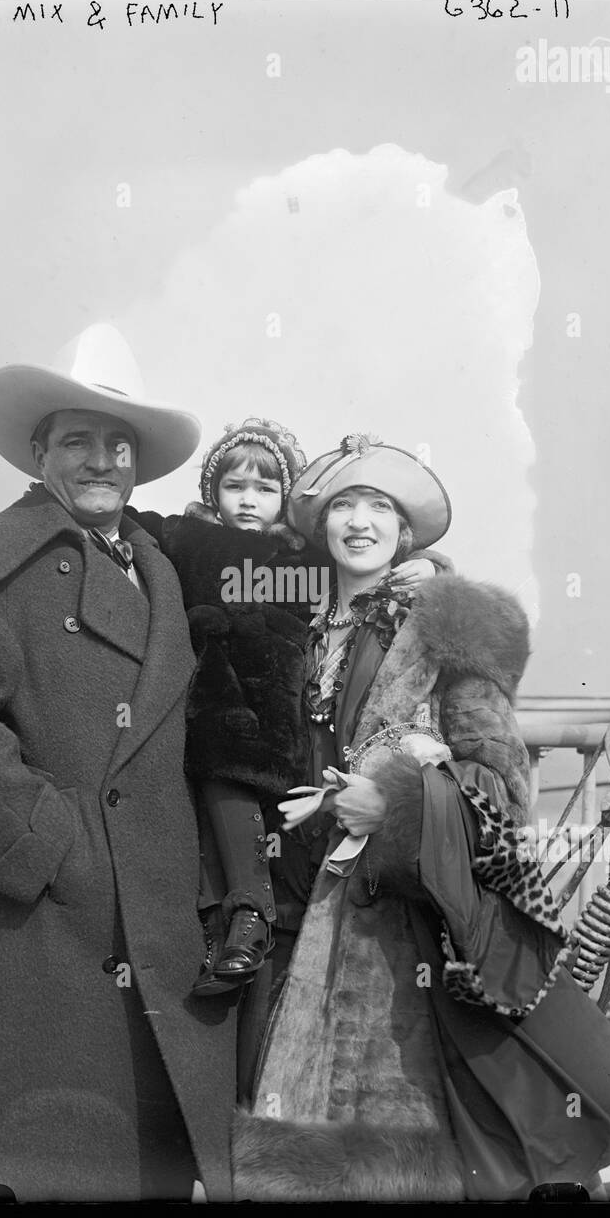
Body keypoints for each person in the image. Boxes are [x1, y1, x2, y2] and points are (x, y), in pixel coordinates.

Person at [232, 434, 610, 1201]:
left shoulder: (446, 625)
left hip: (409, 931)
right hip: (302, 915)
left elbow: (500, 780)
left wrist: (391, 804)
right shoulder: (302, 626)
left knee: (412, 1152)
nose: (359, 521)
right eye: (343, 504)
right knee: (300, 1146)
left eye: (380, 507)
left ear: (407, 530)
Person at [0, 324, 238, 1204]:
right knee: (54, 1168)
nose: (101, 459)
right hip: (56, 928)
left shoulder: (159, 567)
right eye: (78, 440)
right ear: (39, 451)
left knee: (150, 1179)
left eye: (118, 443)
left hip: (167, 919)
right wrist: (52, 843)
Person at [127, 419, 440, 997]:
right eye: (234, 486)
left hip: (282, 710)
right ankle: (235, 921)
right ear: (211, 492)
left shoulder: (304, 559)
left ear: (287, 499)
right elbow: (128, 522)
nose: (249, 501)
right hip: (216, 701)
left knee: (254, 802)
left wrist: (436, 566)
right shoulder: (189, 540)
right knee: (221, 791)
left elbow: (375, 559)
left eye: (266, 488)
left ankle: (248, 921)